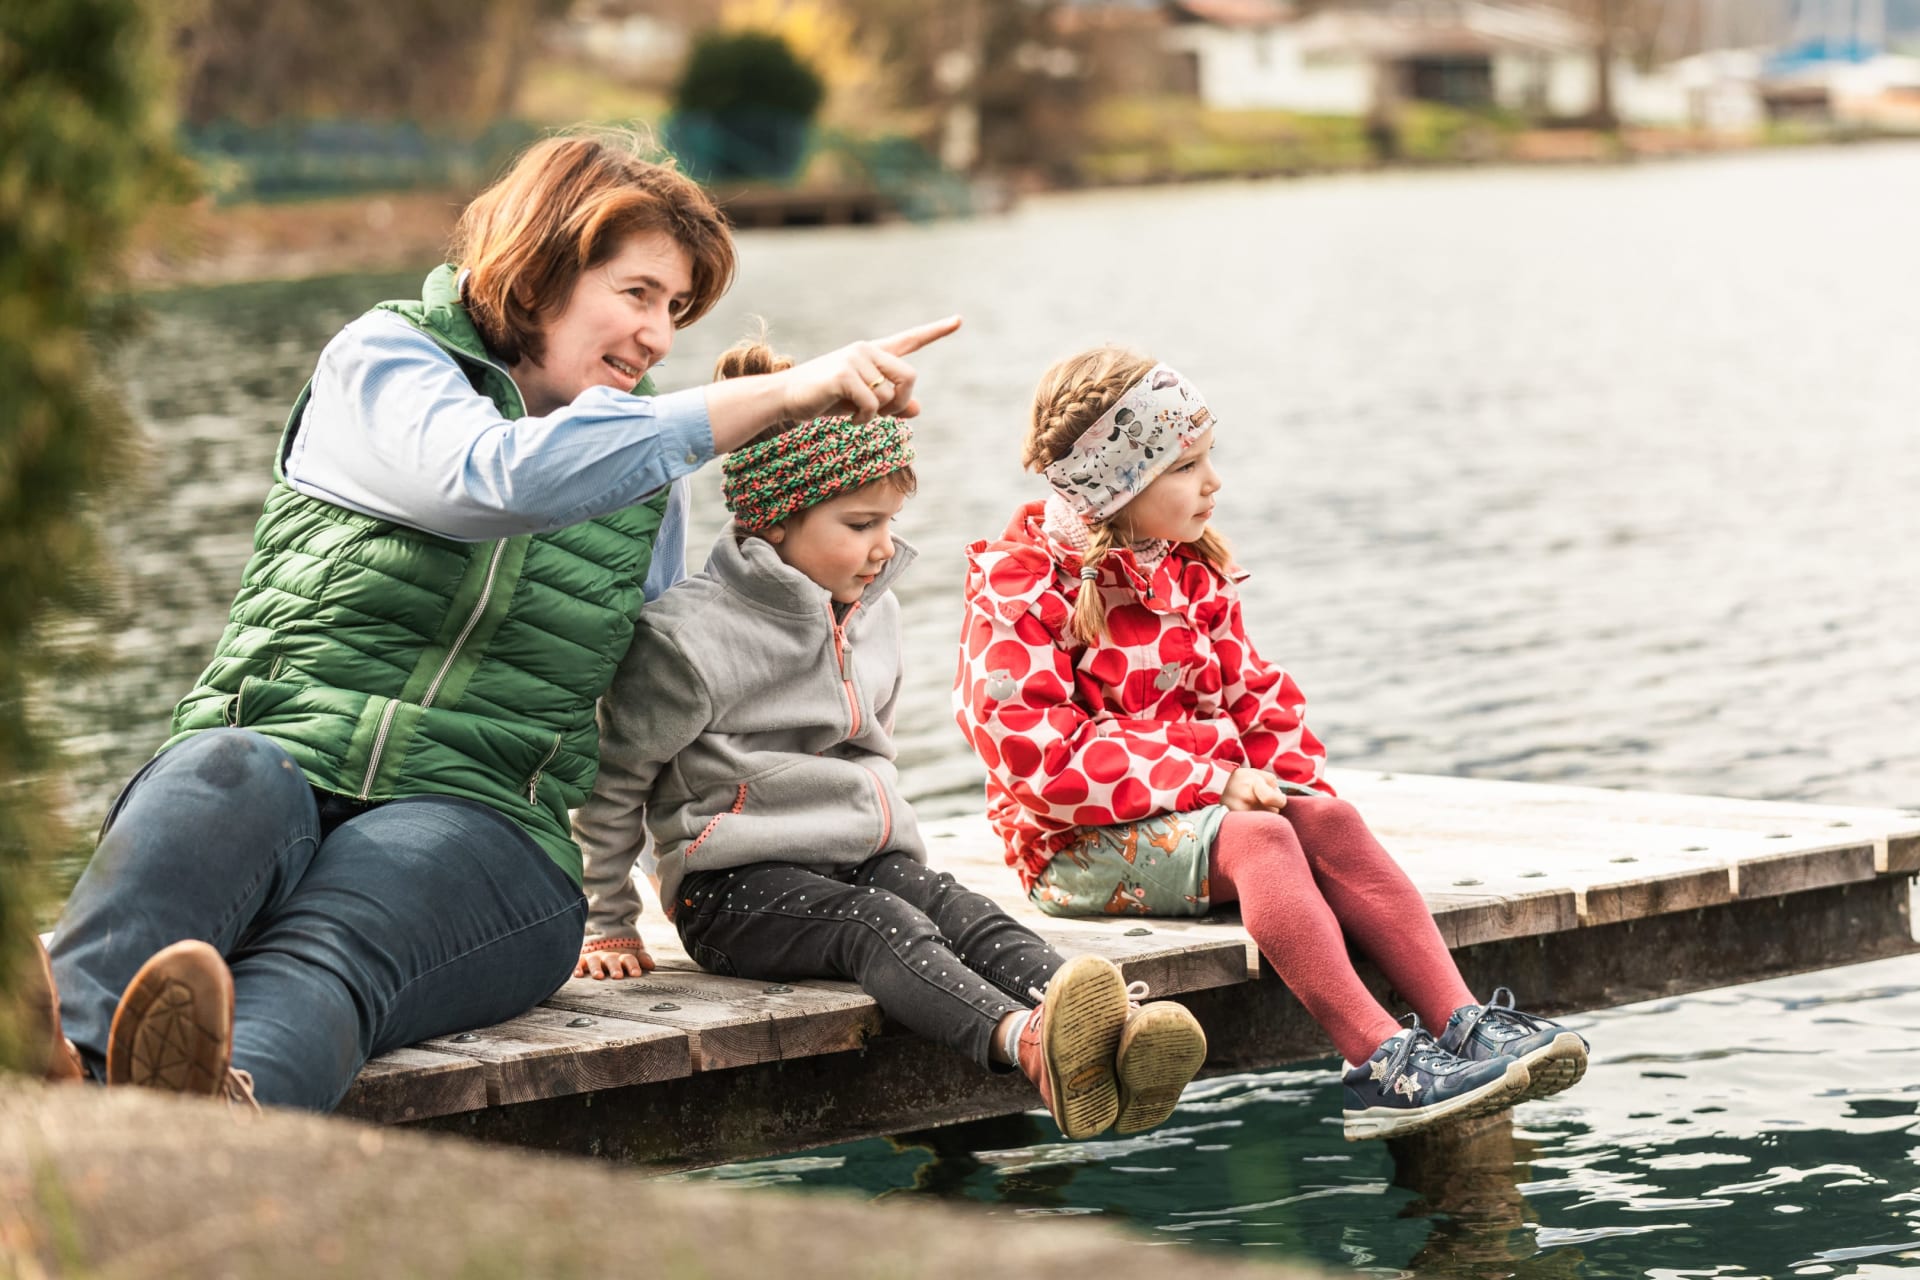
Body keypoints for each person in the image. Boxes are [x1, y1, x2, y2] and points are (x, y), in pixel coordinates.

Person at [28, 129, 960, 1111]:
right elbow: (490, 479)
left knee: (345, 931)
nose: (657, 336)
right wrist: (772, 395)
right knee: (226, 771)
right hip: (278, 750)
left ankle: (216, 1114)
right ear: (541, 264)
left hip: (487, 824)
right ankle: (56, 1061)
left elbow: (667, 691)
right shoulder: (386, 361)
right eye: (637, 293)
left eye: (676, 310)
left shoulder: (649, 474)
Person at [571, 339, 1209, 1141]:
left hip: (857, 859)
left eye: (890, 523)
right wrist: (607, 918)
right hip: (732, 890)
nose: (883, 547)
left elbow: (873, 750)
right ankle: (1030, 1044)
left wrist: (893, 848)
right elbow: (612, 784)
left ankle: (1112, 1031)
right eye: (859, 524)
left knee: (958, 909)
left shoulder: (875, 613)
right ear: (775, 521)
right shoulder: (686, 639)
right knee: (879, 926)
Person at [952, 346, 1589, 1141]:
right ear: (1119, 484)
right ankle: (1379, 1063)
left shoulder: (1188, 571)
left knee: (1327, 819)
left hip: (1194, 818)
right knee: (1260, 840)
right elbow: (1038, 761)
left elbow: (1254, 699)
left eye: (1208, 458)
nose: (1213, 483)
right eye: (1186, 467)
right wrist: (1213, 782)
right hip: (1072, 845)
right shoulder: (1020, 588)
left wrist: (1292, 793)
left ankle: (1462, 1025)